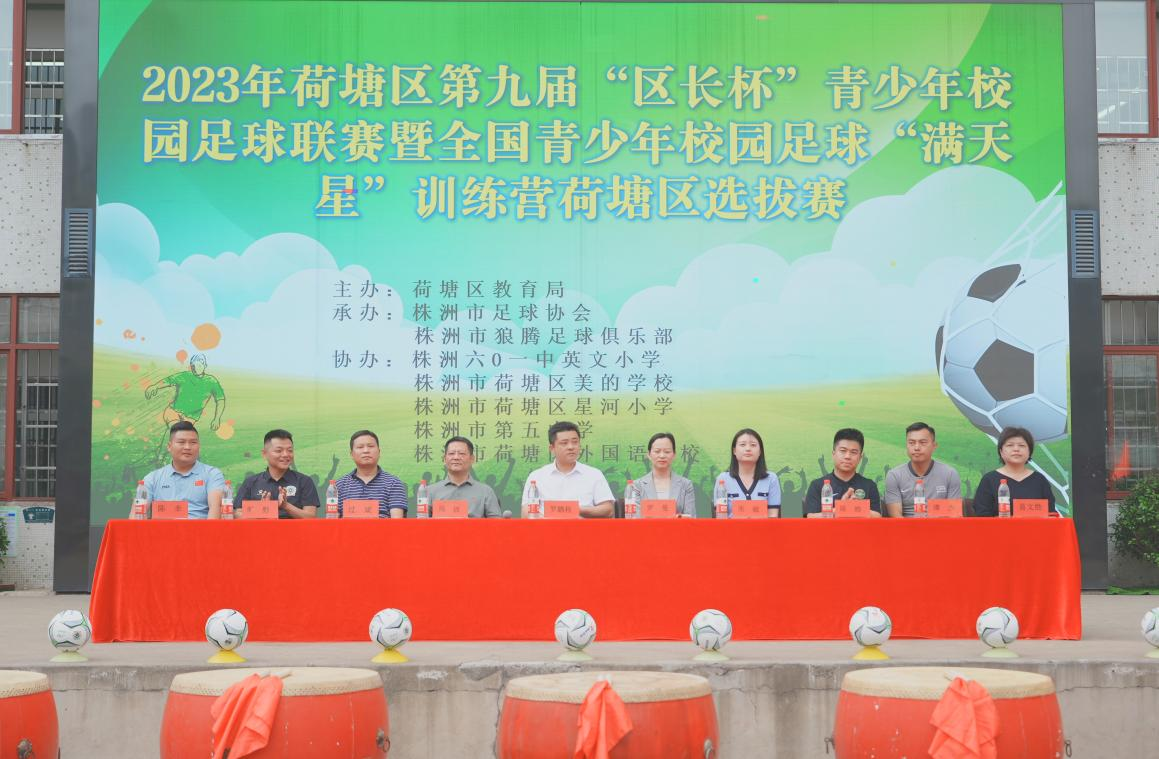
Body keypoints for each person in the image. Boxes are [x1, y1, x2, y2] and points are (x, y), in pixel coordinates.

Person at [521, 421, 614, 518]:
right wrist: (548, 520)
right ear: (552, 448)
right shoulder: (536, 476)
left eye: (575, 442)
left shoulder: (594, 474)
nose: (571, 447)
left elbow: (608, 510)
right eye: (564, 443)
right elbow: (525, 512)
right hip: (546, 527)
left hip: (582, 527)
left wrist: (577, 510)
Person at [140, 421, 225, 519]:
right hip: (163, 528)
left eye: (193, 442)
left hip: (199, 528)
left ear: (199, 446)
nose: (187, 447)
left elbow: (215, 508)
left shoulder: (212, 474)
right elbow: (137, 512)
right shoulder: (153, 478)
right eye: (181, 442)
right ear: (169, 446)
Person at [234, 429, 319, 519]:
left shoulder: (304, 481)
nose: (286, 454)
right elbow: (238, 514)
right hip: (262, 528)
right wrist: (262, 510)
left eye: (290, 450)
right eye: (279, 451)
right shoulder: (251, 482)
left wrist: (286, 506)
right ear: (264, 454)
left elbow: (311, 516)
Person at [884, 422, 962, 517]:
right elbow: (896, 517)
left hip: (939, 525)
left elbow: (955, 515)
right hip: (907, 525)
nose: (916, 448)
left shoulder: (950, 474)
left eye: (923, 442)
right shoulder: (894, 475)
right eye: (911, 443)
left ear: (934, 446)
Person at [973, 426, 1056, 516]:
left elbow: (1050, 513)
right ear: (1001, 452)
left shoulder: (1040, 480)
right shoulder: (989, 479)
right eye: (1010, 445)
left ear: (1029, 452)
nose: (1016, 449)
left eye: (1021, 445)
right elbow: (982, 514)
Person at [803, 428, 881, 516]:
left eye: (853, 452)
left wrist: (854, 507)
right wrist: (842, 508)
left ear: (860, 457)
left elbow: (877, 516)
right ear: (833, 454)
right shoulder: (818, 485)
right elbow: (811, 517)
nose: (847, 456)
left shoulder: (869, 485)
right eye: (843, 451)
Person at [335, 430, 407, 518]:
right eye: (360, 447)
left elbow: (397, 522)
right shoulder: (339, 485)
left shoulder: (393, 483)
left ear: (379, 452)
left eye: (371, 446)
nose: (366, 450)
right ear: (352, 454)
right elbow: (332, 522)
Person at [428, 436, 501, 518]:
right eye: (451, 453)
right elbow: (421, 522)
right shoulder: (430, 491)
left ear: (472, 459)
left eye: (462, 453)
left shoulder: (486, 492)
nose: (456, 457)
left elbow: (496, 523)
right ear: (444, 459)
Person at [715, 428, 781, 518]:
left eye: (753, 445)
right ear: (734, 451)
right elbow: (721, 517)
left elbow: (773, 515)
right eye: (742, 445)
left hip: (763, 527)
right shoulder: (723, 479)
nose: (748, 449)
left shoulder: (771, 478)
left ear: (760, 451)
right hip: (732, 527)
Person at [634, 432, 697, 517]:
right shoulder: (637, 486)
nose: (662, 455)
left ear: (674, 455)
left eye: (667, 452)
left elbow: (691, 518)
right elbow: (635, 519)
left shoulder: (686, 485)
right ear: (649, 455)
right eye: (657, 451)